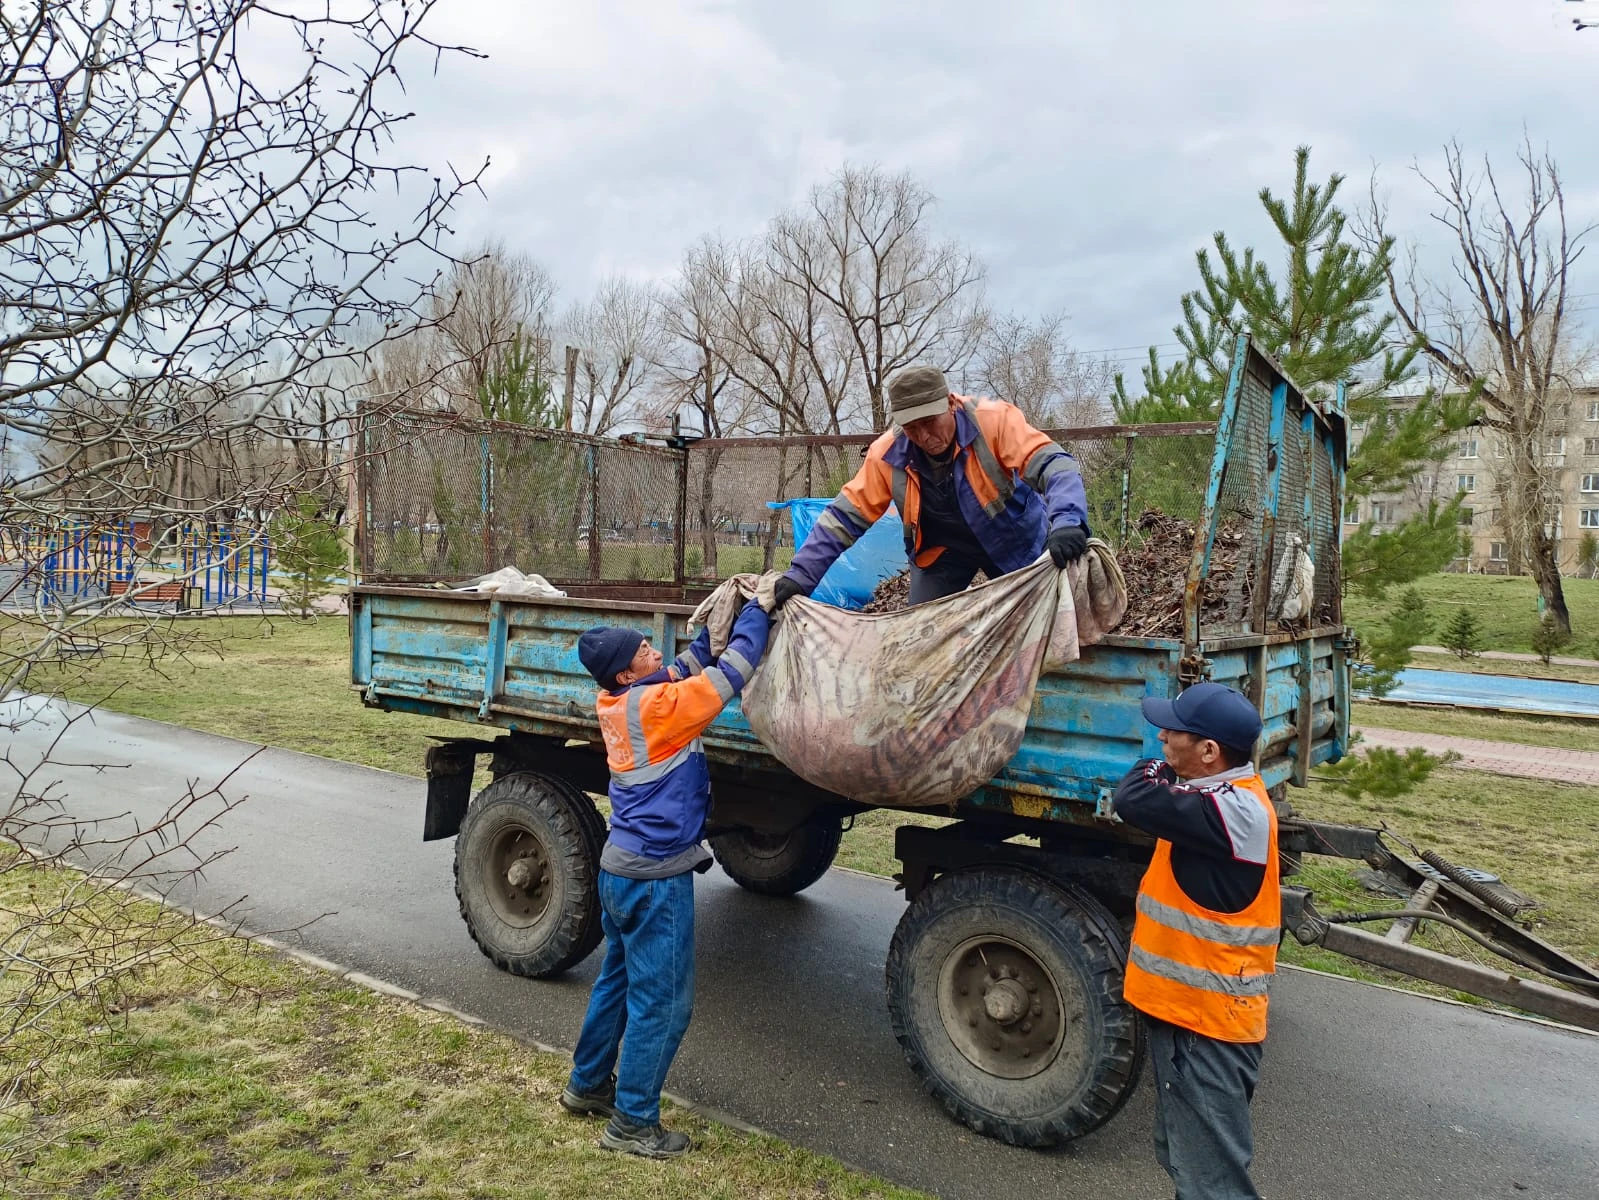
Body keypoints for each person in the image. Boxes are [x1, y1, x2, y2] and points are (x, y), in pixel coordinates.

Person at [560, 598, 771, 1159]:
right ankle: (632, 1122)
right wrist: (759, 613)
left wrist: (715, 624)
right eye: (644, 650)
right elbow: (734, 671)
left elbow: (692, 660)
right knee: (663, 1003)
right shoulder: (663, 707)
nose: (657, 650)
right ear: (630, 672)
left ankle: (586, 1086)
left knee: (618, 981)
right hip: (656, 878)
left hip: (620, 870)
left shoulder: (620, 700)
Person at [1111, 681, 1278, 1200]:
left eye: (1173, 732)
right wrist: (1174, 771)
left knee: (1213, 1184)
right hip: (1195, 1016)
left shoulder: (1232, 813)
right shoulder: (1221, 798)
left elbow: (1132, 796)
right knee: (1190, 1163)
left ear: (1209, 752)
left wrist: (1158, 768)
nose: (1161, 735)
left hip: (1205, 1024)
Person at [770, 364, 1090, 610]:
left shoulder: (994, 422)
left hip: (1012, 538)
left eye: (929, 422)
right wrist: (800, 576)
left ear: (950, 403)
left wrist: (1068, 522)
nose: (923, 436)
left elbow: (1056, 465)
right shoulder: (888, 455)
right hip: (941, 553)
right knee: (922, 629)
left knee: (1038, 616)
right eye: (911, 427)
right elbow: (842, 518)